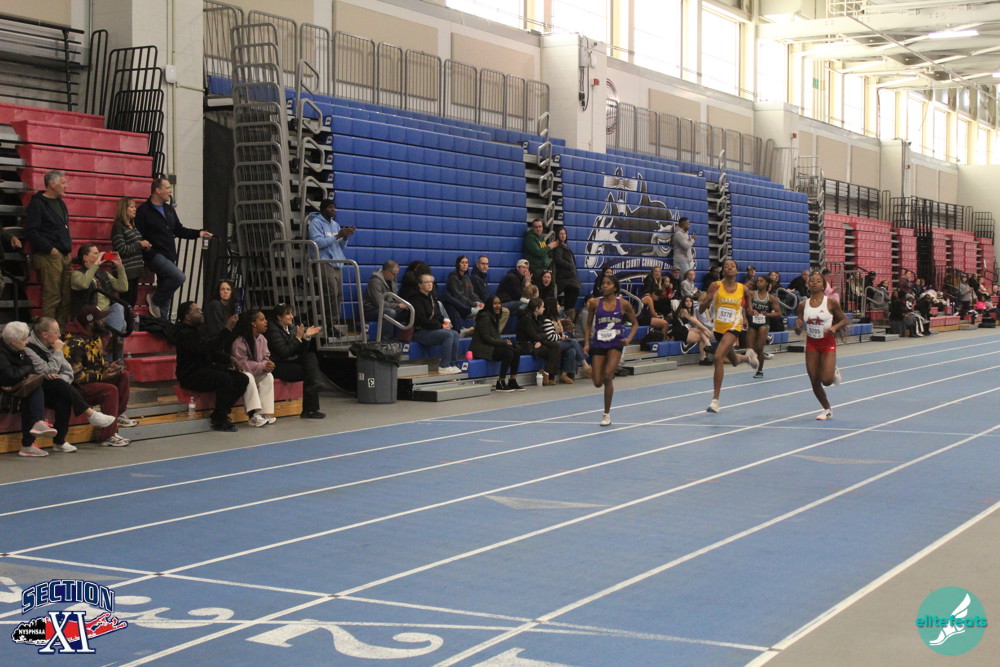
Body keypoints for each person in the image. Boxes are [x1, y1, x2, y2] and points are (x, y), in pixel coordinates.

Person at [24, 316, 122, 452]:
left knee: (64, 397)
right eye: (56, 332)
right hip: (36, 389)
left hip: (55, 386)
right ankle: (91, 414)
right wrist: (57, 352)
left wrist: (61, 383)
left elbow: (68, 371)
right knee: (60, 387)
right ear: (45, 335)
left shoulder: (53, 345)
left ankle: (59, 442)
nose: (60, 335)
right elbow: (48, 371)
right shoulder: (29, 348)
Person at [135, 177, 213, 321]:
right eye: (167, 188)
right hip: (154, 254)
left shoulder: (169, 209)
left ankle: (162, 324)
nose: (170, 191)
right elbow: (137, 233)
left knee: (167, 294)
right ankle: (155, 299)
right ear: (158, 190)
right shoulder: (144, 211)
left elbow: (179, 230)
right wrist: (144, 247)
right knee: (178, 277)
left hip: (169, 254)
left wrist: (198, 233)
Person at [62, 306, 134, 446]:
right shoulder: (73, 342)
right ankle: (107, 436)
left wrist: (108, 367)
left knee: (123, 375)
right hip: (76, 388)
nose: (103, 322)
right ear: (90, 322)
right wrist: (101, 376)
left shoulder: (95, 338)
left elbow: (96, 365)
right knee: (110, 390)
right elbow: (75, 376)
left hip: (92, 381)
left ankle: (117, 416)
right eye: (100, 319)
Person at [174, 301, 249, 431]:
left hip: (204, 370)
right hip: (190, 374)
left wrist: (229, 358)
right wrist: (226, 329)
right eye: (197, 311)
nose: (201, 312)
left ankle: (219, 413)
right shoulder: (184, 334)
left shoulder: (197, 331)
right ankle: (220, 421)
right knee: (224, 379)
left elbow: (212, 353)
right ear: (187, 316)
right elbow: (208, 348)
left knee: (242, 379)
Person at [701, 259, 759, 414]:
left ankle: (715, 401)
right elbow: (701, 309)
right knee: (734, 361)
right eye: (726, 266)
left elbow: (748, 305)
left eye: (732, 266)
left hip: (734, 327)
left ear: (737, 271)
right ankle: (748, 358)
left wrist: (750, 312)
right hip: (718, 329)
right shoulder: (715, 286)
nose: (729, 268)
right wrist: (709, 298)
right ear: (723, 271)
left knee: (718, 356)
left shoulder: (742, 288)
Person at [584, 274, 637, 426]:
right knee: (597, 382)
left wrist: (628, 339)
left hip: (615, 343)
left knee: (608, 376)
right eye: (603, 283)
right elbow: (588, 325)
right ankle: (599, 371)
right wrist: (587, 343)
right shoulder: (594, 303)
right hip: (599, 343)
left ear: (615, 287)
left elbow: (635, 323)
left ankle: (606, 414)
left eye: (608, 283)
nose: (605, 286)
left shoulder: (623, 304)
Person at [0, 321, 59, 457]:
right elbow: (10, 376)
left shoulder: (20, 350)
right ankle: (30, 440)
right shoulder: (1, 354)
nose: (27, 342)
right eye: (24, 339)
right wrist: (24, 371)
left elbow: (30, 367)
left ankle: (32, 436)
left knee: (35, 388)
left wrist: (23, 371)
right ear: (14, 341)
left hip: (14, 387)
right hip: (3, 391)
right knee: (34, 389)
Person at [266, 303, 333, 419]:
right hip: (278, 365)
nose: (291, 316)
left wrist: (306, 337)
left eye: (291, 313)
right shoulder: (272, 330)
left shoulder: (291, 327)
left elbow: (300, 351)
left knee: (310, 356)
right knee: (309, 372)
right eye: (288, 314)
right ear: (279, 317)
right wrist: (298, 338)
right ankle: (310, 410)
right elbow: (284, 352)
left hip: (290, 360)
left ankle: (315, 385)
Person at [795, 271, 846, 421]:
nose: (814, 283)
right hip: (812, 344)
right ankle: (827, 409)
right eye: (812, 280)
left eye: (818, 281)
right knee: (814, 379)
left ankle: (833, 371)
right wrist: (797, 327)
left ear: (824, 285)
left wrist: (834, 328)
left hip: (827, 343)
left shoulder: (830, 302)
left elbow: (844, 320)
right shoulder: (803, 305)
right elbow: (798, 329)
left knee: (827, 381)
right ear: (807, 284)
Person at [24, 170, 73, 324]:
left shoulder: (60, 203)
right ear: (52, 184)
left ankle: (61, 331)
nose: (66, 186)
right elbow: (31, 231)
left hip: (64, 254)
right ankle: (47, 331)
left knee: (67, 296)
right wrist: (50, 249)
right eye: (63, 183)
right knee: (52, 296)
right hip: (49, 255)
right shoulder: (37, 204)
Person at [307, 198, 354, 322]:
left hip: (337, 262)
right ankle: (315, 315)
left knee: (338, 295)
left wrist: (345, 237)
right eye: (330, 207)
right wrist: (338, 235)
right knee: (331, 292)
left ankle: (332, 322)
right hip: (324, 261)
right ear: (323, 209)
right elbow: (318, 243)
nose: (333, 209)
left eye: (334, 207)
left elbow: (340, 246)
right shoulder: (315, 223)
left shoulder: (335, 224)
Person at [70, 243, 128, 335]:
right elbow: (83, 284)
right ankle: (111, 340)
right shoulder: (76, 274)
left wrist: (119, 266)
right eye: (95, 253)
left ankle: (110, 339)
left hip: (105, 314)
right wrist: (96, 264)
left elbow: (123, 287)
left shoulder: (103, 274)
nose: (99, 255)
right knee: (122, 324)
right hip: (90, 315)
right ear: (85, 258)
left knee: (118, 309)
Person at [231, 310, 277, 427]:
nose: (266, 322)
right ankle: (253, 415)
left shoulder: (262, 339)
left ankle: (263, 413)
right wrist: (262, 366)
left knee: (268, 376)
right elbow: (242, 364)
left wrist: (268, 364)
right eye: (262, 319)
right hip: (239, 374)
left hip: (256, 371)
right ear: (253, 323)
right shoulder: (239, 341)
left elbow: (265, 357)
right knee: (248, 377)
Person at [411, 273, 462, 374]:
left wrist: (444, 323)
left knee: (455, 333)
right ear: (420, 285)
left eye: (431, 282)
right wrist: (440, 326)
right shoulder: (416, 300)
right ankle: (444, 365)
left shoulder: (432, 297)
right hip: (421, 331)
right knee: (447, 335)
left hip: (433, 329)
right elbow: (422, 320)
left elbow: (438, 315)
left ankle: (453, 364)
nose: (430, 284)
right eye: (426, 282)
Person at [471, 295, 523, 392]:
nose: (498, 306)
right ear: (489, 305)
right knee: (508, 353)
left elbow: (495, 336)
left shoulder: (495, 316)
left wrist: (505, 342)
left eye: (499, 303)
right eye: (495, 304)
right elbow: (486, 338)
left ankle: (512, 380)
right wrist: (503, 342)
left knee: (516, 351)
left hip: (491, 345)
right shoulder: (484, 317)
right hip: (482, 348)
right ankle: (500, 382)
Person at [110, 196, 150, 309]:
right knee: (127, 301)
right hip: (126, 270)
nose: (135, 209)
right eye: (132, 207)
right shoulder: (118, 226)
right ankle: (125, 320)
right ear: (124, 209)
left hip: (135, 269)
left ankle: (129, 319)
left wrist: (145, 246)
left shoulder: (133, 226)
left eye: (135, 207)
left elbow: (134, 245)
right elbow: (121, 249)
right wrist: (139, 244)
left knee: (132, 300)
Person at [516, 297, 561, 386]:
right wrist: (540, 338)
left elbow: (539, 334)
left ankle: (548, 374)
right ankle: (548, 374)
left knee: (555, 346)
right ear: (537, 308)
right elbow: (535, 336)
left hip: (534, 343)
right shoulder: (527, 319)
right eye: (542, 307)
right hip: (526, 345)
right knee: (555, 347)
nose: (544, 308)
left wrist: (540, 339)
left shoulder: (535, 318)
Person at [543, 297, 590, 381]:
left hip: (558, 342)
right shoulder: (547, 320)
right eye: (557, 304)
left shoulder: (556, 319)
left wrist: (563, 336)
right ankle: (585, 364)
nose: (559, 306)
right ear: (552, 307)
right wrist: (561, 337)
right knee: (573, 342)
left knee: (571, 350)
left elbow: (560, 333)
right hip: (551, 344)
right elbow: (550, 337)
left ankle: (564, 375)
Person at [746, 275, 782, 379]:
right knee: (749, 349)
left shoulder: (771, 298)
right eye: (758, 281)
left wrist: (768, 314)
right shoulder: (752, 294)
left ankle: (760, 370)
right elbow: (746, 308)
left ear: (766, 283)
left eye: (761, 281)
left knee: (759, 348)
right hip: (752, 323)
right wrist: (751, 311)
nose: (759, 283)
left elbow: (779, 313)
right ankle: (759, 357)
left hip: (764, 324)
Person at [363, 260, 407, 340]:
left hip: (389, 307)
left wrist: (403, 304)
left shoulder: (392, 280)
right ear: (387, 272)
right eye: (394, 274)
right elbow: (379, 303)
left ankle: (402, 338)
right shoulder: (375, 282)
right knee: (390, 313)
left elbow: (394, 297)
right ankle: (386, 340)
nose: (396, 276)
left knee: (407, 310)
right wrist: (397, 305)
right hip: (372, 310)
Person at [442, 255, 483, 330]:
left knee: (484, 309)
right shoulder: (453, 277)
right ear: (458, 264)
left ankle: (479, 331)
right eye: (462, 262)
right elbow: (458, 296)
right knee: (482, 311)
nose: (465, 264)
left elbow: (472, 294)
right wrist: (474, 304)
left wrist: (479, 302)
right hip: (459, 307)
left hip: (469, 305)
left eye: (466, 262)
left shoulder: (466, 278)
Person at [672, 295, 714, 365]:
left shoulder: (689, 311)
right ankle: (706, 351)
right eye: (686, 301)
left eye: (690, 301)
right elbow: (695, 322)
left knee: (701, 332)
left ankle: (706, 351)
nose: (689, 303)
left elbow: (697, 321)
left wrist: (705, 330)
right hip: (679, 332)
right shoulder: (683, 310)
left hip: (684, 329)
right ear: (683, 302)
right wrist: (706, 329)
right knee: (702, 337)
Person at [551, 226, 581, 321]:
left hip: (568, 277)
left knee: (573, 293)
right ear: (557, 235)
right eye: (561, 233)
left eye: (564, 233)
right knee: (573, 292)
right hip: (563, 278)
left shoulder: (565, 246)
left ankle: (569, 319)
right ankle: (569, 319)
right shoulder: (558, 247)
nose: (563, 235)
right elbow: (558, 260)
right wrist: (570, 266)